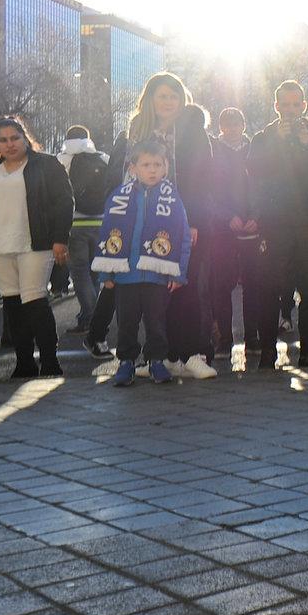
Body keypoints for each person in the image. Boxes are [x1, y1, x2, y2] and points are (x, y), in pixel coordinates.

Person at [104, 73, 216, 378]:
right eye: (162, 95)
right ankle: (161, 357)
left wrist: (192, 219)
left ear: (182, 100)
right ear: (150, 98)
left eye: (173, 96)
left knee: (188, 286)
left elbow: (202, 179)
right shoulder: (137, 131)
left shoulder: (193, 131)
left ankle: (192, 353)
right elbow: (122, 177)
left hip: (184, 220)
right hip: (143, 224)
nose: (167, 102)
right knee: (154, 294)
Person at [0, 117, 73, 378]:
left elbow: (64, 202)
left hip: (35, 243)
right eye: (2, 140)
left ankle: (50, 362)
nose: (9, 144)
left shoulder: (47, 164)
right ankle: (24, 363)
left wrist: (60, 238)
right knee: (12, 304)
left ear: (25, 138)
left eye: (14, 137)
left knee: (35, 300)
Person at [247, 80, 308, 369]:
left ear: (304, 106)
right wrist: (276, 142)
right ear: (276, 107)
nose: (289, 110)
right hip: (275, 225)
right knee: (269, 289)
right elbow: (254, 170)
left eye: (295, 104)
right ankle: (268, 353)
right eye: (284, 104)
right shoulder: (263, 138)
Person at [92, 140, 192, 386]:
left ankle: (156, 361)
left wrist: (179, 272)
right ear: (133, 167)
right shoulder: (119, 198)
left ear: (166, 166)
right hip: (126, 277)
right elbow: (106, 235)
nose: (152, 169)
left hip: (157, 277)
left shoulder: (173, 199)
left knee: (157, 322)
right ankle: (126, 362)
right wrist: (106, 275)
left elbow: (183, 237)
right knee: (126, 323)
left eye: (158, 164)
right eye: (146, 164)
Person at [207, 108, 261, 354]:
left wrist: (256, 217)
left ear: (243, 125)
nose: (232, 129)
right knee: (222, 285)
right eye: (227, 125)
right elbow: (209, 192)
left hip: (251, 227)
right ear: (221, 127)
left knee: (253, 285)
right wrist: (228, 216)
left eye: (236, 124)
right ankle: (225, 340)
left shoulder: (254, 150)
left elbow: (263, 188)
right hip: (223, 229)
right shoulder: (213, 152)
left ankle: (252, 337)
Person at [57, 125, 110, 347]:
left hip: (74, 223)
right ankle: (92, 316)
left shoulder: (61, 160)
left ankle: (90, 317)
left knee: (78, 273)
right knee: (94, 272)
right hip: (101, 221)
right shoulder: (103, 158)